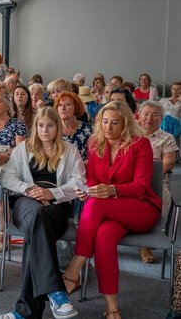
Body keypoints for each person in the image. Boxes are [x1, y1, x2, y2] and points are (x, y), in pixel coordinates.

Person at [62, 101, 161, 319]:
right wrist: (86, 190)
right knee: (104, 235)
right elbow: (94, 178)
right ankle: (112, 307)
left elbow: (142, 185)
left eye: (114, 122)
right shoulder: (96, 142)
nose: (108, 127)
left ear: (125, 123)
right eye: (105, 122)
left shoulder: (140, 144)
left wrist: (113, 189)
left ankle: (74, 269)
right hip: (108, 211)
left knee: (96, 204)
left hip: (140, 208)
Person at [0, 107, 84, 319]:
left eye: (50, 125)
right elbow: (6, 177)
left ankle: (26, 311)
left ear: (57, 127)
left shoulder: (69, 149)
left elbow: (79, 181)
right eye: (40, 125)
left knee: (36, 235)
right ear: (35, 127)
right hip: (25, 202)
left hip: (57, 204)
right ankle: (56, 291)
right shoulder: (23, 148)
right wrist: (29, 189)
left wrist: (52, 192)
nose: (44, 130)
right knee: (37, 215)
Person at [0, 93, 29, 251]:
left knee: (1, 191)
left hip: (11, 163)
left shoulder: (18, 124)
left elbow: (21, 148)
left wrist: (7, 155)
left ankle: (4, 231)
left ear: (8, 106)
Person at [137, 100, 179, 263]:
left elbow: (168, 163)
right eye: (146, 114)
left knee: (163, 197)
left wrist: (147, 179)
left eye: (154, 115)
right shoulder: (130, 135)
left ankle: (145, 243)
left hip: (155, 180)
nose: (149, 118)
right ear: (139, 116)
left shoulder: (167, 138)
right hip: (129, 178)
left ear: (161, 118)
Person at [55, 92, 93, 161]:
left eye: (67, 104)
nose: (63, 108)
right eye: (60, 105)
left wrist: (78, 167)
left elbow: (94, 157)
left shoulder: (88, 130)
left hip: (82, 169)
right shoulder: (53, 129)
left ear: (76, 107)